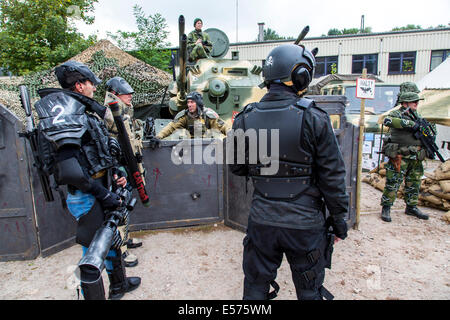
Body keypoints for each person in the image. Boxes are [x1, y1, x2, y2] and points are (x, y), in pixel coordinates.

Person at [229, 43, 349, 300]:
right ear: (301, 75)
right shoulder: (314, 117)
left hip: (261, 222)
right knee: (309, 291)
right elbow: (333, 177)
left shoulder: (244, 118)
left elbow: (236, 168)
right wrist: (339, 222)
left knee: (255, 289)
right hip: (305, 225)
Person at [34, 61, 141, 300]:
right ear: (80, 85)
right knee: (93, 252)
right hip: (87, 194)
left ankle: (118, 285)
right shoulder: (64, 113)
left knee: (111, 238)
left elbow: (97, 151)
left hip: (102, 185)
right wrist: (103, 194)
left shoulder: (83, 110)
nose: (95, 89)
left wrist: (116, 174)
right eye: (92, 84)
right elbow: (71, 171)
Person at [104, 77, 144, 268]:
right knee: (119, 209)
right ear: (116, 94)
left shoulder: (121, 112)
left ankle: (124, 239)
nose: (130, 96)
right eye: (126, 93)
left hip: (126, 167)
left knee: (126, 206)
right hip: (118, 170)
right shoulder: (109, 113)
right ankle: (120, 250)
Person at [380, 82, 432, 222]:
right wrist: (410, 124)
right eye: (414, 102)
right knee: (393, 182)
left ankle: (411, 206)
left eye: (417, 101)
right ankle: (386, 207)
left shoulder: (419, 116)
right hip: (400, 155)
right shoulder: (397, 113)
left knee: (414, 183)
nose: (416, 104)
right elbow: (388, 120)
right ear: (406, 103)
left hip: (416, 157)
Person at [155, 91, 228, 140]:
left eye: (192, 102)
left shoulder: (208, 115)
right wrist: (158, 137)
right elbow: (171, 127)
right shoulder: (184, 116)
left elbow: (223, 126)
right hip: (190, 148)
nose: (189, 105)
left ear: (198, 103)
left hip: (207, 146)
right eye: (188, 102)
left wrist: (232, 135)